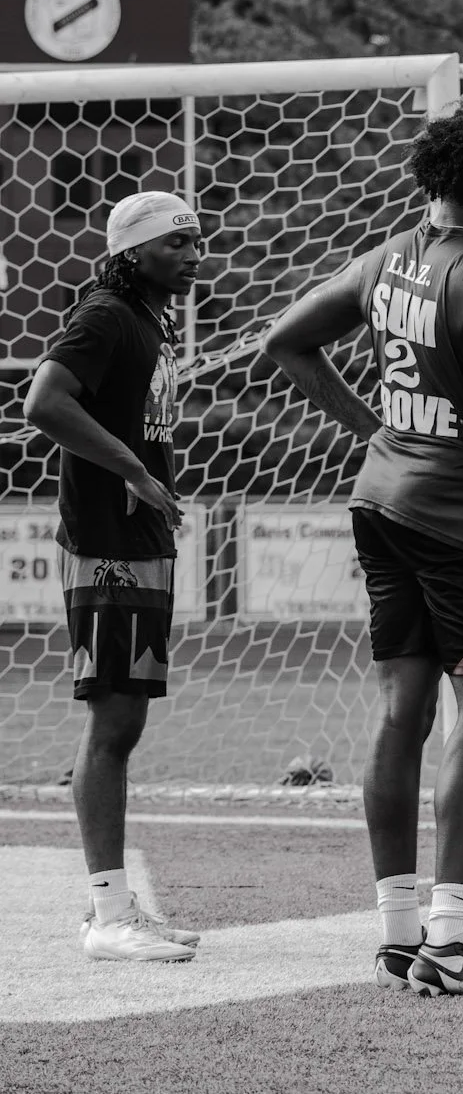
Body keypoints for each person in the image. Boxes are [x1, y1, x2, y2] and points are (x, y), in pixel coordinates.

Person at [264, 101, 463, 996]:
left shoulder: (385, 258)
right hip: (459, 524)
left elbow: (286, 341)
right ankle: (452, 941)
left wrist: (378, 429)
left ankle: (399, 932)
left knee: (403, 715)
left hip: (381, 505)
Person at [25, 191, 205, 963]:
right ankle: (107, 918)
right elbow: (43, 401)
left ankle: (118, 906)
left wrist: (154, 485)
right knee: (112, 719)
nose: (194, 254)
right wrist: (133, 471)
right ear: (134, 252)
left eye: (197, 241)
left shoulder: (150, 321)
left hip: (136, 539)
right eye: (177, 243)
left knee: (125, 720)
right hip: (104, 542)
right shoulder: (105, 313)